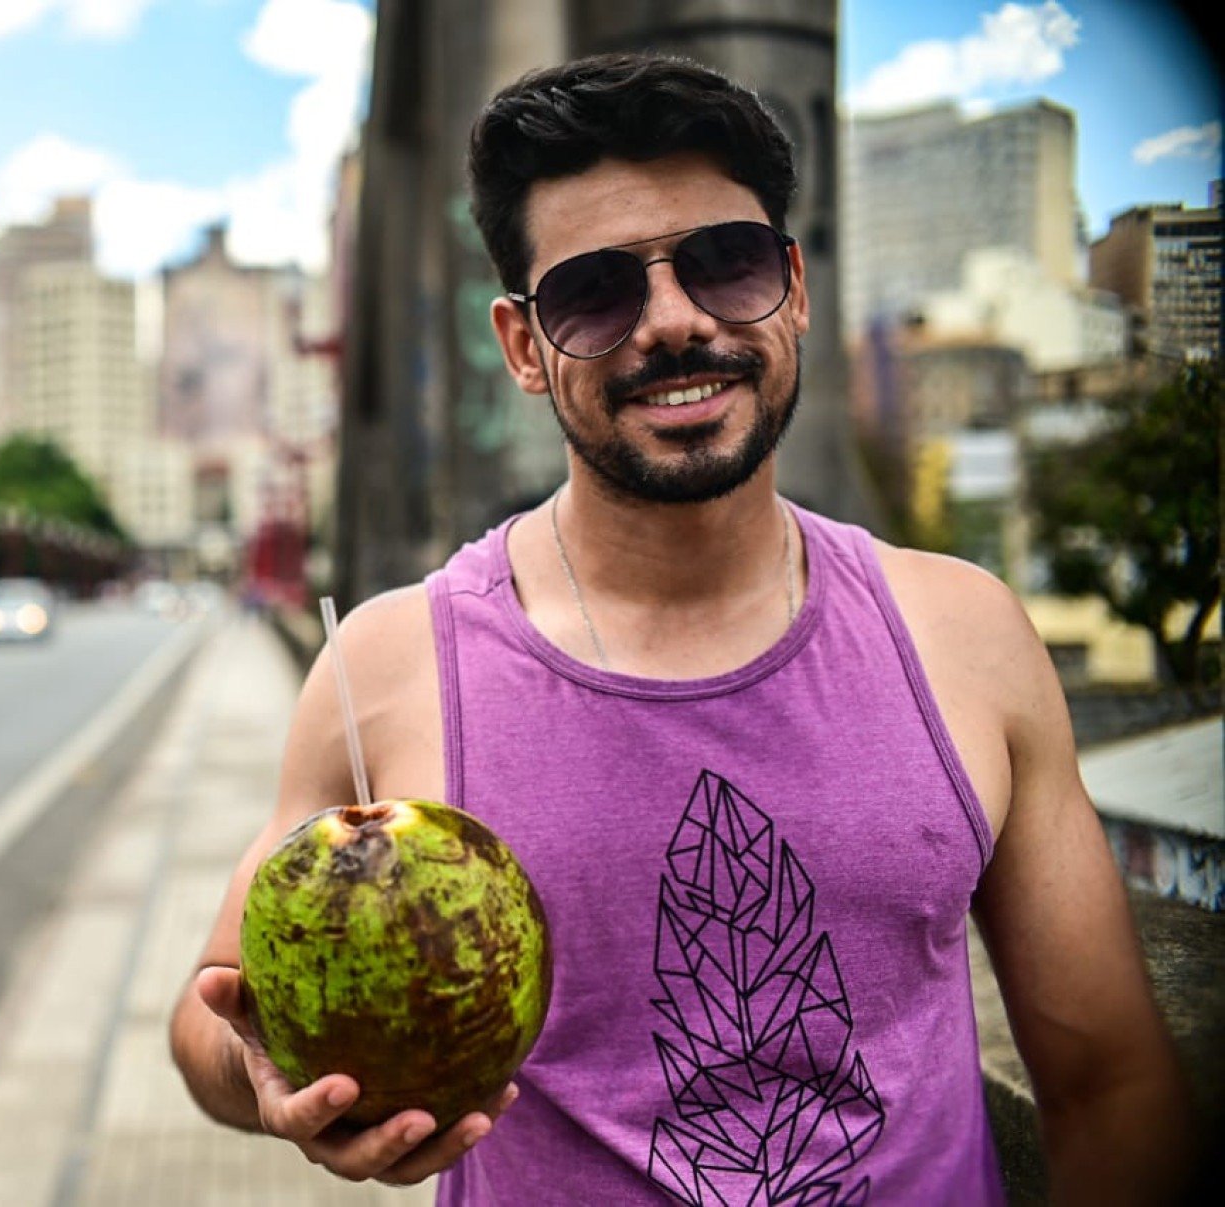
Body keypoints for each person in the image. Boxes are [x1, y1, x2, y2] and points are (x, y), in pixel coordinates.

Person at [168, 52, 1193, 1204]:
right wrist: (259, 1078)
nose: (673, 320)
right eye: (596, 293)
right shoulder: (392, 668)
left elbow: (1109, 1080)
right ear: (522, 345)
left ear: (794, 289)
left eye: (726, 262)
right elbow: (216, 1011)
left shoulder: (962, 632)